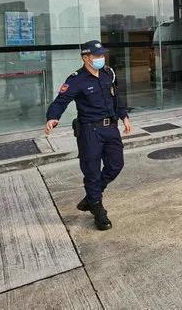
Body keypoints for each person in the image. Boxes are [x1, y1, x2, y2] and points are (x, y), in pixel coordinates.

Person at [45, 40, 132, 230]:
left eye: (102, 55)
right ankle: (98, 210)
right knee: (91, 172)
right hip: (89, 131)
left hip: (110, 128)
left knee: (116, 165)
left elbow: (116, 98)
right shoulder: (76, 80)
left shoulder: (108, 74)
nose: (102, 58)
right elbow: (61, 101)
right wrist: (52, 117)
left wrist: (124, 116)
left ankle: (91, 198)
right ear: (86, 58)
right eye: (97, 56)